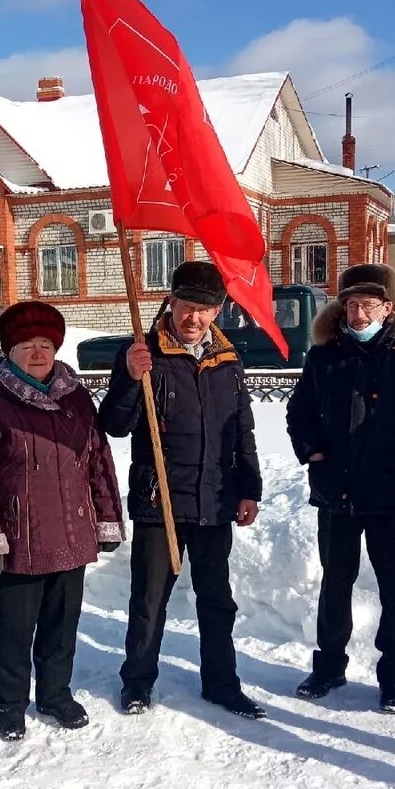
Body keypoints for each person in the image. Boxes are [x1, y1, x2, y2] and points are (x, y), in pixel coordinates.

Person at [98, 260, 265, 720]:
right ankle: (137, 682)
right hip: (161, 502)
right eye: (186, 306)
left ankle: (221, 684)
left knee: (216, 600)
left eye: (205, 309)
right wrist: (131, 380)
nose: (194, 318)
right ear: (170, 302)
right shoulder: (143, 353)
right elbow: (114, 424)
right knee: (149, 600)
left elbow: (241, 431)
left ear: (219, 311)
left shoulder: (228, 361)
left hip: (214, 500)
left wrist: (248, 488)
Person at [286, 263, 395, 714]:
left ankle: (394, 678)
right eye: (351, 304)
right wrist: (313, 451)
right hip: (336, 495)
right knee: (334, 584)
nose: (358, 314)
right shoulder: (325, 355)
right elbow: (298, 412)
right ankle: (328, 667)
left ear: (388, 308)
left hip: (394, 499)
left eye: (368, 305)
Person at [0, 302, 124, 741]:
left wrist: (107, 517)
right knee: (14, 632)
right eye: (27, 345)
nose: (38, 353)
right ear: (9, 350)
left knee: (61, 625)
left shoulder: (75, 397)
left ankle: (55, 694)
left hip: (71, 533)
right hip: (18, 541)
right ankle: (10, 704)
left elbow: (99, 461)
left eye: (46, 344)